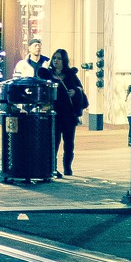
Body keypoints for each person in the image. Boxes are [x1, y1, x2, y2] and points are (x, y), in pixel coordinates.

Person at [46, 49, 88, 177]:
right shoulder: (47, 74)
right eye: (54, 58)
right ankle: (52, 167)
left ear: (64, 61)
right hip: (54, 114)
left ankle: (67, 167)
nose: (56, 61)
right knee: (54, 142)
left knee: (69, 142)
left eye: (59, 58)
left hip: (69, 114)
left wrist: (75, 92)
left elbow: (80, 89)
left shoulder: (70, 75)